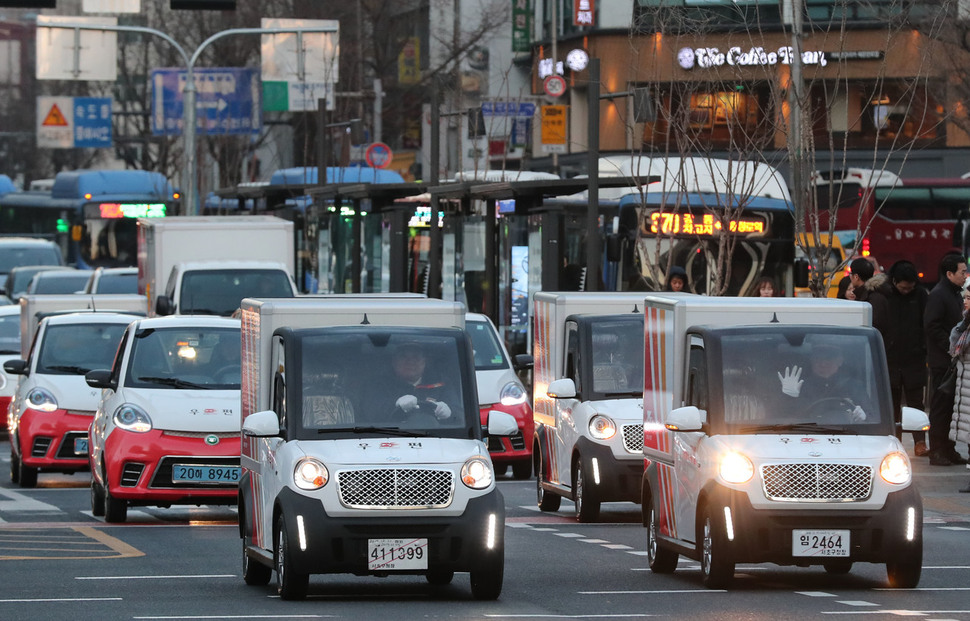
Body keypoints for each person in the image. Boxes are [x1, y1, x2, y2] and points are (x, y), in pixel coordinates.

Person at [925, 253, 969, 466]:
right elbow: (932, 326)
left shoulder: (954, 293)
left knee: (952, 408)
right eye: (962, 272)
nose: (965, 275)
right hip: (943, 361)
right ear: (949, 273)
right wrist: (952, 348)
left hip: (953, 362)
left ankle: (949, 449)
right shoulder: (938, 294)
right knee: (941, 407)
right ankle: (936, 451)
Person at [883, 260, 929, 450]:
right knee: (891, 404)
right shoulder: (884, 294)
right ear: (894, 282)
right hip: (890, 358)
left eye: (909, 288)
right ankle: (895, 443)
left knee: (916, 403)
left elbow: (925, 323)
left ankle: (920, 442)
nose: (906, 291)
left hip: (914, 358)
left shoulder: (920, 295)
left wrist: (922, 348)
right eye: (903, 288)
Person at [777, 342, 870, 423]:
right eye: (818, 358)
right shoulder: (800, 386)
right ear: (811, 360)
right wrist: (789, 397)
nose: (823, 364)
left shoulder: (854, 386)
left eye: (829, 358)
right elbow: (785, 420)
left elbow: (873, 417)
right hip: (805, 434)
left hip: (849, 434)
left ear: (840, 361)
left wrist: (864, 417)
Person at [384, 341, 458, 422]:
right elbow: (372, 414)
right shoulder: (380, 384)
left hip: (436, 433)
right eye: (403, 357)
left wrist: (450, 412)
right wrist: (395, 405)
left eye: (416, 357)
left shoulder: (442, 383)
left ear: (424, 362)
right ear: (394, 362)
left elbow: (462, 416)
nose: (410, 362)